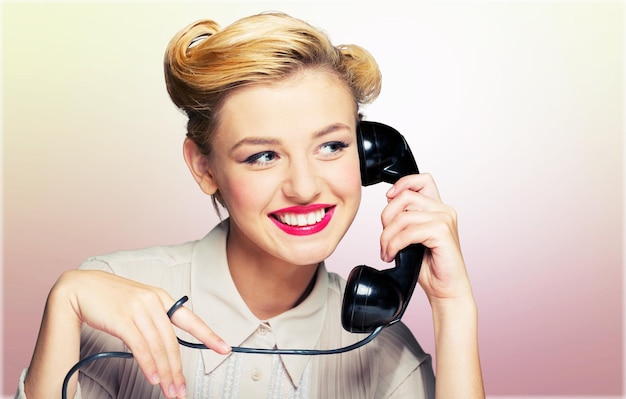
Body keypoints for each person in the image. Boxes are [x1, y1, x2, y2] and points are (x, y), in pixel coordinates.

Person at [17, 11, 484, 399]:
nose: (303, 187)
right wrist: (66, 302)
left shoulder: (384, 352)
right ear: (204, 168)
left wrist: (453, 307)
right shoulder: (113, 300)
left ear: (368, 153)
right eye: (263, 155)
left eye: (331, 146)